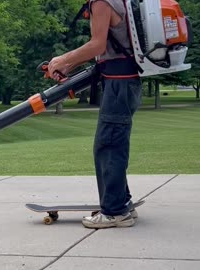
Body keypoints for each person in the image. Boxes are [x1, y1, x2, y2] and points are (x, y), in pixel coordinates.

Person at [48, 0, 142, 229]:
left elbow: (97, 45)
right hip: (125, 81)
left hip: (119, 85)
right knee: (113, 142)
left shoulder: (102, 2)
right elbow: (108, 47)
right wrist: (70, 65)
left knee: (108, 144)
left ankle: (114, 212)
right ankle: (122, 202)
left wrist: (63, 59)